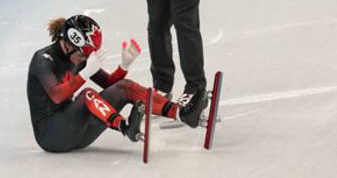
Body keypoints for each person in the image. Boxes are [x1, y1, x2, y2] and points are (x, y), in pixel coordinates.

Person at [26, 15, 207, 153]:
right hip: (51, 136)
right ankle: (125, 127)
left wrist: (124, 65)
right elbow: (57, 96)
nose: (83, 59)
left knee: (125, 86)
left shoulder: (78, 57)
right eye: (83, 55)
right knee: (87, 93)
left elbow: (110, 84)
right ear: (68, 43)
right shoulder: (43, 60)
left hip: (78, 134)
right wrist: (86, 72)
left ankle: (181, 113)